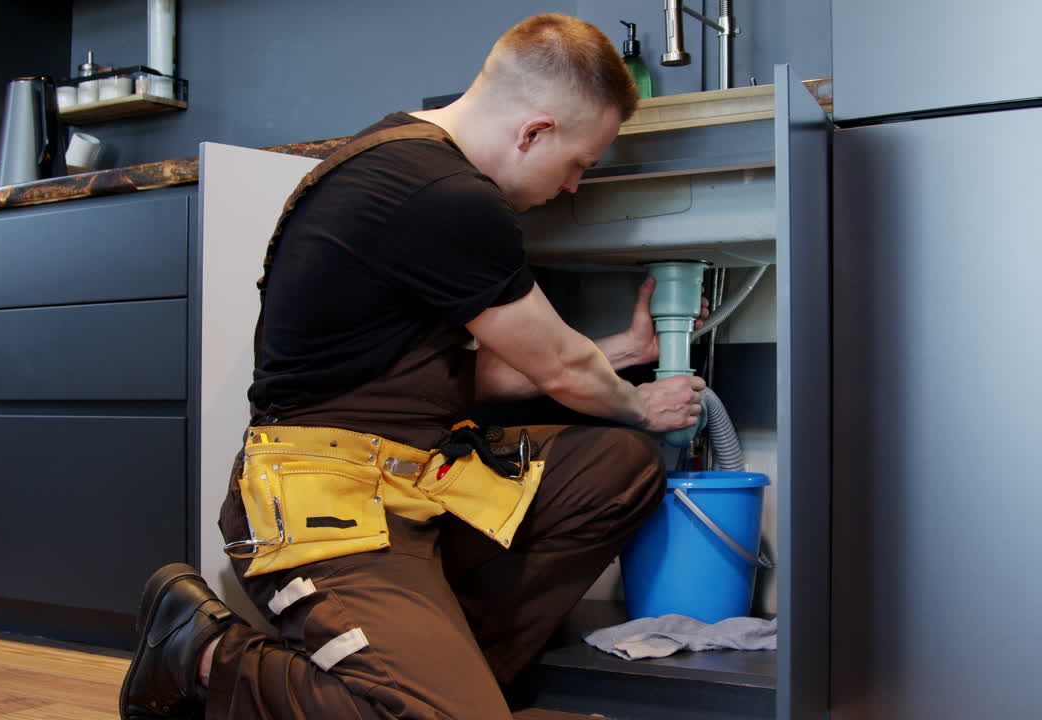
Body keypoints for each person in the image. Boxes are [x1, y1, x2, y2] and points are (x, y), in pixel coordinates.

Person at [119, 13, 706, 720]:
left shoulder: (406, 161)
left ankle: (458, 684)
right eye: (579, 163)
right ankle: (206, 655)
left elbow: (458, 376)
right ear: (534, 132)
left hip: (414, 477)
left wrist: (625, 354)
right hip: (321, 500)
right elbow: (558, 366)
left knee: (618, 467)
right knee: (626, 434)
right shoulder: (442, 194)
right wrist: (640, 403)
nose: (576, 185)